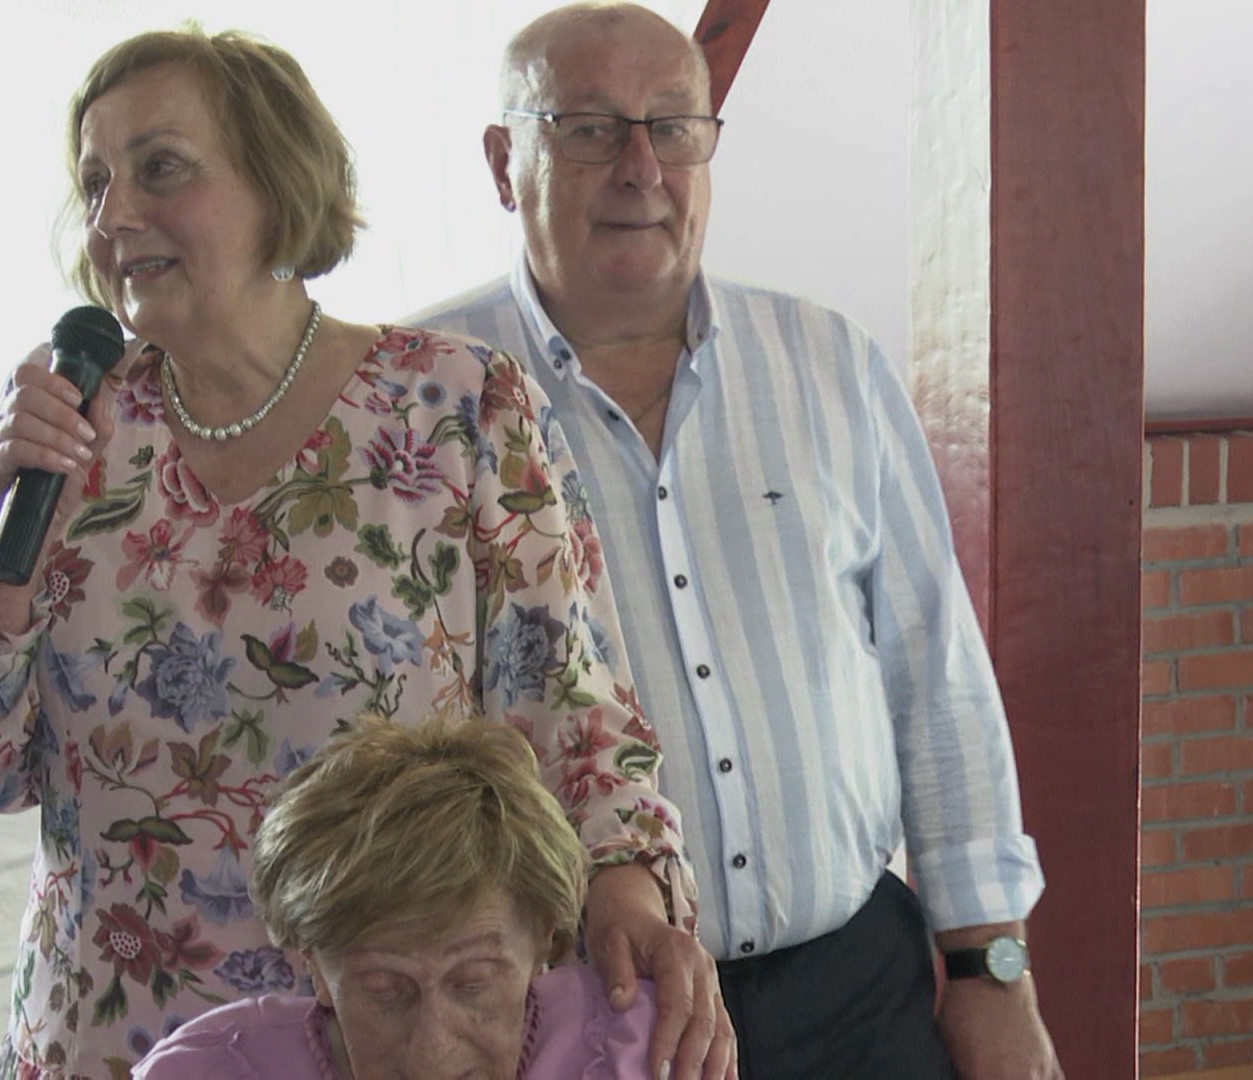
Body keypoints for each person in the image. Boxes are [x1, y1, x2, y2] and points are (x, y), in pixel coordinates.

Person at [0, 27, 730, 1080]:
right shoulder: (68, 424)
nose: (113, 216)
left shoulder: (454, 406)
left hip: (396, 1047)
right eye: (94, 184)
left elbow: (576, 720)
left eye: (160, 169)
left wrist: (634, 903)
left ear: (277, 181)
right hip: (102, 1048)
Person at [415, 4, 1061, 1077]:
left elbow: (935, 678)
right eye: (589, 128)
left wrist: (994, 974)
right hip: (579, 1017)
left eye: (674, 127)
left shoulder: (830, 365)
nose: (641, 168)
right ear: (502, 161)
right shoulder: (421, 398)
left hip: (855, 996)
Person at [134, 710, 659, 1079]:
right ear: (313, 963)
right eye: (384, 990)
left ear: (544, 940)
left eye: (473, 983)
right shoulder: (199, 1072)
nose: (432, 1055)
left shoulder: (643, 1052)